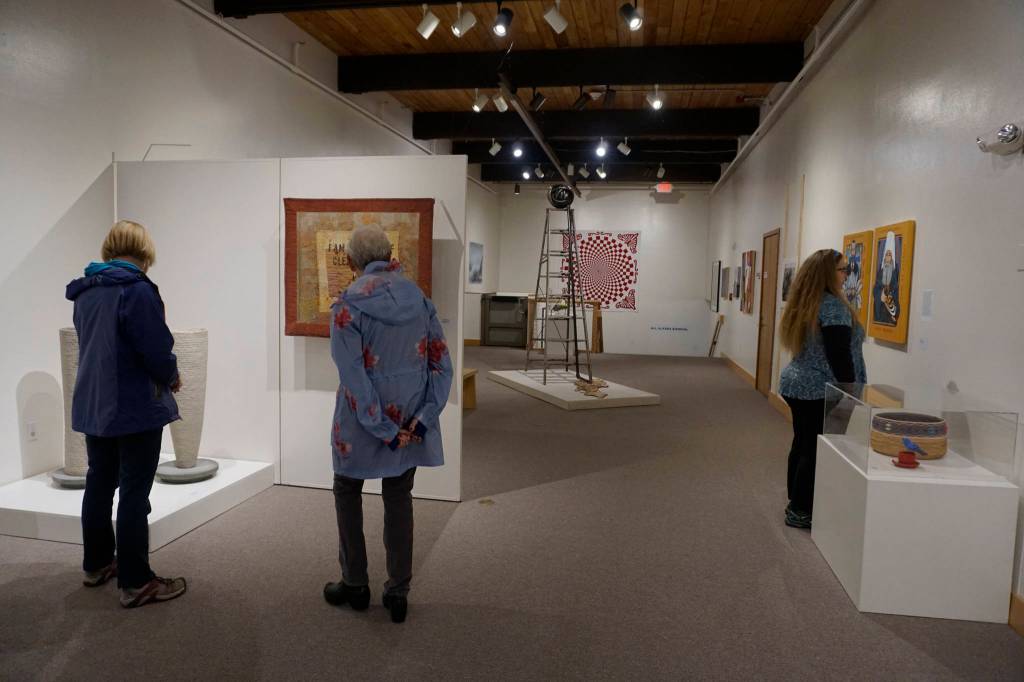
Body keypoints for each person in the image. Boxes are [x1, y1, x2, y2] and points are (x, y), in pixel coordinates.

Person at [323, 225, 453, 624]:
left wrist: (381, 427)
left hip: (362, 422)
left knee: (347, 490)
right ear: (389, 254)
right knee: (398, 496)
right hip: (410, 419)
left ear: (351, 260)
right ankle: (398, 592)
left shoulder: (347, 306)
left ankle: (355, 583)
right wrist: (421, 419)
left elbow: (353, 377)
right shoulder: (420, 300)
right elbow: (441, 366)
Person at [66, 220, 187, 607]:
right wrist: (171, 376)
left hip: (95, 402)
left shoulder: (86, 291)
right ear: (145, 251)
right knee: (135, 492)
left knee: (99, 483)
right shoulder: (137, 290)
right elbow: (154, 347)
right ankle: (136, 582)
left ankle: (97, 564)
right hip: (133, 405)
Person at [778, 249, 866, 529]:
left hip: (796, 383)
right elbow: (840, 356)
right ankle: (801, 509)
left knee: (803, 442)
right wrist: (850, 393)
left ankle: (796, 501)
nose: (846, 275)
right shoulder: (833, 307)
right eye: (842, 270)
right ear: (828, 273)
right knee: (815, 449)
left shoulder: (806, 302)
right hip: (819, 388)